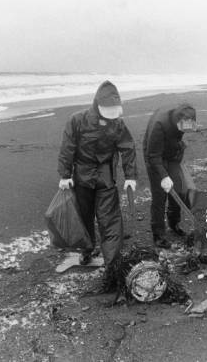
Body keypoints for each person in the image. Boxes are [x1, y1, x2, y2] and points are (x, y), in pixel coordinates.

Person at [57, 81, 137, 291]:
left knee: (110, 221)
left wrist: (130, 176)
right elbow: (67, 148)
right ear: (97, 104)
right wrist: (64, 175)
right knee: (84, 217)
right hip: (82, 177)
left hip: (105, 178)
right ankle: (86, 251)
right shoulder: (77, 120)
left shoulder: (118, 123)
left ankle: (111, 266)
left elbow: (127, 148)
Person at [143, 103, 197, 248]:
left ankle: (174, 223)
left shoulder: (185, 121)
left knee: (178, 190)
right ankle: (158, 234)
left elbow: (178, 138)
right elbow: (153, 155)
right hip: (154, 157)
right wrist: (163, 176)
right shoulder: (159, 125)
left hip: (172, 155)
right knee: (160, 196)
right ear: (177, 122)